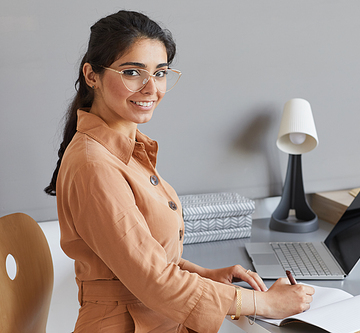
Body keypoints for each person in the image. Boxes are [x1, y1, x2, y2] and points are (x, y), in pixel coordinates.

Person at [44, 10, 314, 333]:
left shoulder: (128, 150)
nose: (151, 88)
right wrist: (264, 303)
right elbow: (154, 280)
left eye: (160, 73)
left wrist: (203, 275)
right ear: (92, 75)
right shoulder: (94, 165)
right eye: (132, 72)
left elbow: (145, 260)